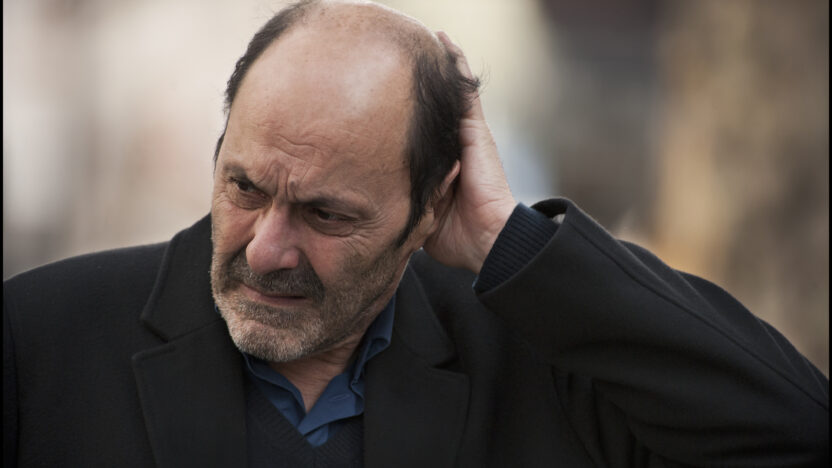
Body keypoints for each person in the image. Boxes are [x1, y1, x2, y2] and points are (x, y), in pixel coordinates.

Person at [4, 0, 828, 466]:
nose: (266, 249)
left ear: (432, 207)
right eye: (244, 188)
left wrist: (513, 241)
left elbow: (792, 431)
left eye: (328, 214)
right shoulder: (40, 340)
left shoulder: (544, 367)